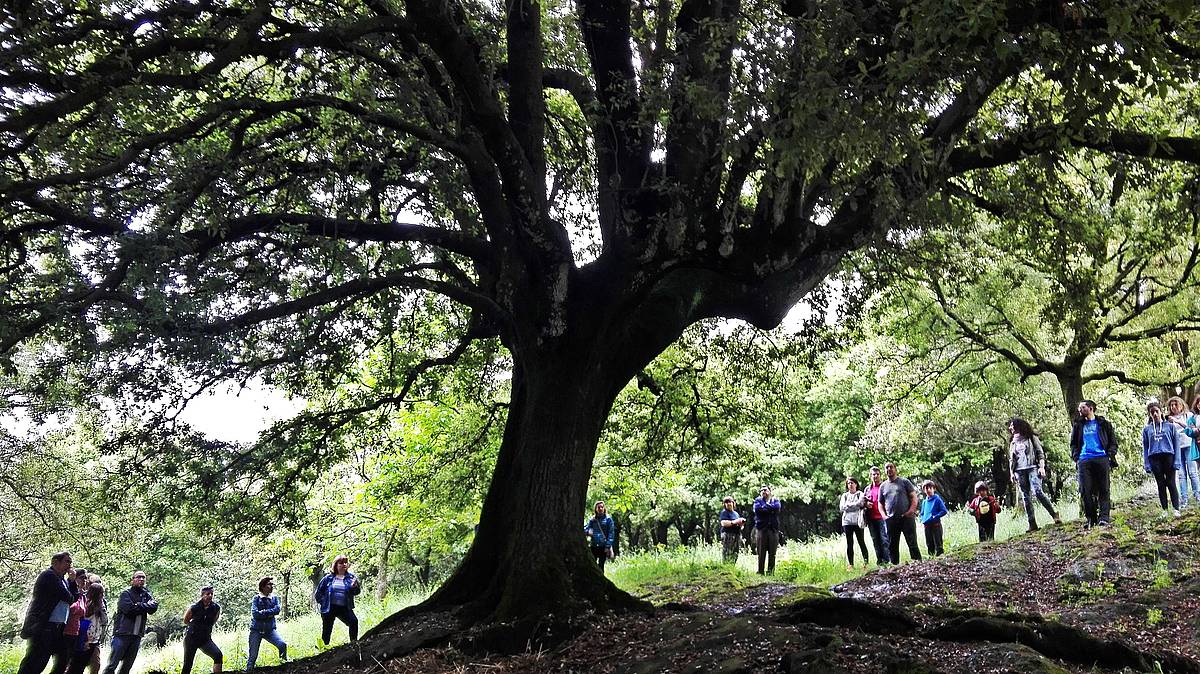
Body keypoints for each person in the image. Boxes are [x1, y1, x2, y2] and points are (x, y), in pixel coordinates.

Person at [18, 551, 78, 674]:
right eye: (67, 561)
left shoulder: (62, 580)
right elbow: (68, 597)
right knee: (36, 661)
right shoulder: (49, 576)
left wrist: (71, 583)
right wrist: (72, 582)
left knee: (63, 659)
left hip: (58, 627)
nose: (70, 565)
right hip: (44, 626)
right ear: (56, 562)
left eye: (70, 562)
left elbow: (74, 599)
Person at [1070, 399, 1118, 527]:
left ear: (1091, 408)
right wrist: (1077, 457)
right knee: (1085, 490)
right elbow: (1073, 444)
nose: (1080, 410)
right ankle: (1091, 519)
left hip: (1102, 458)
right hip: (1084, 460)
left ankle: (1104, 518)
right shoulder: (1078, 425)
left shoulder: (1103, 424)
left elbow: (1113, 442)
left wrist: (1109, 455)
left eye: (1083, 407)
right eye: (1079, 408)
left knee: (1104, 489)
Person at [1008, 417, 1061, 532]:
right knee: (1026, 497)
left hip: (1033, 468)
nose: (1010, 428)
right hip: (1019, 471)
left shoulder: (1032, 438)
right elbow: (1011, 460)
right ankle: (1032, 524)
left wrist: (1042, 467)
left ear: (1018, 426)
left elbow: (1040, 453)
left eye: (1012, 425)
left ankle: (1054, 514)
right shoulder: (1012, 442)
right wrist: (1011, 473)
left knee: (1038, 492)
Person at [101, 570, 158, 674]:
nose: (141, 579)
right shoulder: (125, 594)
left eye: (143, 578)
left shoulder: (146, 594)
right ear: (132, 580)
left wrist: (139, 605)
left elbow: (154, 607)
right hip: (122, 634)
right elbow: (129, 610)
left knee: (127, 667)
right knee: (112, 665)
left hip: (137, 635)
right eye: (138, 577)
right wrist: (144, 606)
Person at [1144, 401, 1182, 517]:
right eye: (1152, 412)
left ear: (1161, 412)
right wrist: (1147, 464)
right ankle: (1164, 510)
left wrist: (1177, 461)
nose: (1155, 414)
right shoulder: (1147, 430)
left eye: (1156, 411)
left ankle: (1176, 509)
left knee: (1171, 483)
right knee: (1160, 484)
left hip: (1168, 456)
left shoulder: (1170, 427)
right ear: (1150, 414)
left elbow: (1176, 444)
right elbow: (1145, 447)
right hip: (1154, 458)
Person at [315, 555, 362, 646]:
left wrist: (354, 587)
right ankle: (323, 650)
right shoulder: (328, 578)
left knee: (353, 622)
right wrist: (324, 602)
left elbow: (356, 592)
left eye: (345, 562)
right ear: (336, 565)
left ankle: (354, 644)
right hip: (329, 607)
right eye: (341, 563)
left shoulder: (351, 578)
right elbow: (318, 594)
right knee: (327, 630)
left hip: (344, 607)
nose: (344, 565)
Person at [880, 463, 922, 563]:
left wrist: (911, 510)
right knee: (892, 545)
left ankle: (918, 563)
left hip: (906, 518)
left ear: (895, 469)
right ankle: (894, 567)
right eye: (887, 468)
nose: (889, 469)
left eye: (891, 467)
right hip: (891, 520)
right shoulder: (883, 486)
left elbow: (913, 497)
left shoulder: (904, 482)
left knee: (912, 542)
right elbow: (880, 504)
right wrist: (884, 516)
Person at [247, 577, 287, 671]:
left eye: (272, 584)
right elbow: (255, 614)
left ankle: (284, 666)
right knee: (253, 656)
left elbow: (277, 610)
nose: (271, 586)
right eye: (269, 584)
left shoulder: (274, 598)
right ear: (263, 586)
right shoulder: (256, 598)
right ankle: (249, 670)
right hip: (256, 630)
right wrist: (270, 613)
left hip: (270, 630)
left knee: (282, 645)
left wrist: (264, 612)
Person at [66, 583, 107, 674]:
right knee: (76, 666)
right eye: (101, 593)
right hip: (83, 639)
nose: (102, 596)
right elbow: (83, 624)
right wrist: (84, 640)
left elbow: (104, 621)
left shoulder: (101, 607)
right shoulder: (86, 605)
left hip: (94, 640)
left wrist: (102, 608)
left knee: (83, 665)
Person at [181, 586, 222, 674]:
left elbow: (214, 620)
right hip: (191, 639)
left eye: (212, 594)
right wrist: (196, 627)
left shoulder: (216, 608)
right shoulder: (194, 607)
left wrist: (205, 628)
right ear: (202, 595)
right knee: (187, 664)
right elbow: (186, 620)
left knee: (218, 655)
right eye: (208, 594)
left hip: (205, 639)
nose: (210, 596)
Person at [55, 570, 89, 674]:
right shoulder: (68, 592)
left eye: (85, 578)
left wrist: (85, 638)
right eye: (82, 577)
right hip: (64, 632)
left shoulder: (83, 596)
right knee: (61, 664)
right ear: (76, 578)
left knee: (72, 664)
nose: (84, 580)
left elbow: (83, 618)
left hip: (76, 633)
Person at [838, 478, 869, 569]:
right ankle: (851, 564)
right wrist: (854, 505)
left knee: (861, 542)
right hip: (847, 522)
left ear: (856, 484)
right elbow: (842, 508)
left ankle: (866, 563)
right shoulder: (845, 495)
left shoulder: (860, 494)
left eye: (852, 483)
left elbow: (860, 503)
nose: (850, 485)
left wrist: (849, 505)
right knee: (849, 543)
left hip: (858, 522)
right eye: (848, 483)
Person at [1174, 396, 1200, 507]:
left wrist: (1178, 422)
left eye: (1176, 404)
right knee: (1181, 475)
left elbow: (1192, 430)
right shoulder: (1170, 419)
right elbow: (1191, 431)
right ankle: (1184, 499)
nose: (1174, 407)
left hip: (1189, 445)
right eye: (1171, 405)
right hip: (1179, 448)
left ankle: (1197, 496)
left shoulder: (1188, 415)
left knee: (1193, 472)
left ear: (1181, 405)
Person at [862, 467, 890, 565]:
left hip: (882, 517)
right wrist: (866, 504)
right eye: (873, 474)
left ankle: (887, 560)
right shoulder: (867, 489)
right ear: (870, 476)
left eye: (877, 474)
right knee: (875, 540)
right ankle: (880, 561)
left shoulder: (884, 486)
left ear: (880, 475)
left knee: (884, 539)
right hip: (871, 518)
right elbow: (863, 503)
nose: (875, 476)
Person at [752, 486, 781, 575]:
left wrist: (765, 507)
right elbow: (758, 510)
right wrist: (770, 508)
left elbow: (777, 508)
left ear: (770, 491)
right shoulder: (757, 501)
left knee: (773, 552)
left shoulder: (775, 500)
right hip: (761, 529)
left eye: (765, 490)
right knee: (761, 551)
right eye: (761, 490)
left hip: (773, 530)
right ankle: (760, 571)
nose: (763, 491)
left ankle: (770, 572)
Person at [584, 501, 616, 573]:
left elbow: (611, 534)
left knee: (601, 565)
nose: (600, 508)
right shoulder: (592, 520)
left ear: (604, 508)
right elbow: (585, 529)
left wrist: (608, 546)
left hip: (603, 546)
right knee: (592, 565)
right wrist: (588, 532)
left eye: (602, 507)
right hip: (594, 546)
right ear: (595, 509)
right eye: (598, 507)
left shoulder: (608, 519)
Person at [918, 480, 948, 557]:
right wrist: (922, 519)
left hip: (936, 525)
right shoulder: (924, 502)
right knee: (929, 544)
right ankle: (931, 560)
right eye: (925, 488)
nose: (928, 490)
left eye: (929, 488)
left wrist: (935, 516)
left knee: (938, 544)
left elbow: (944, 511)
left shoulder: (937, 499)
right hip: (927, 526)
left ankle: (940, 559)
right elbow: (922, 513)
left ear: (934, 489)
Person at [718, 497, 746, 563]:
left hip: (737, 534)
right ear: (724, 504)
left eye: (729, 502)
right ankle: (725, 567)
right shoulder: (724, 512)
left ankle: (732, 566)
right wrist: (735, 522)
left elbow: (740, 526)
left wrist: (741, 524)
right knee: (727, 552)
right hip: (728, 534)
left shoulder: (736, 514)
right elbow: (723, 523)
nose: (728, 504)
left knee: (735, 552)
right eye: (726, 502)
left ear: (733, 503)